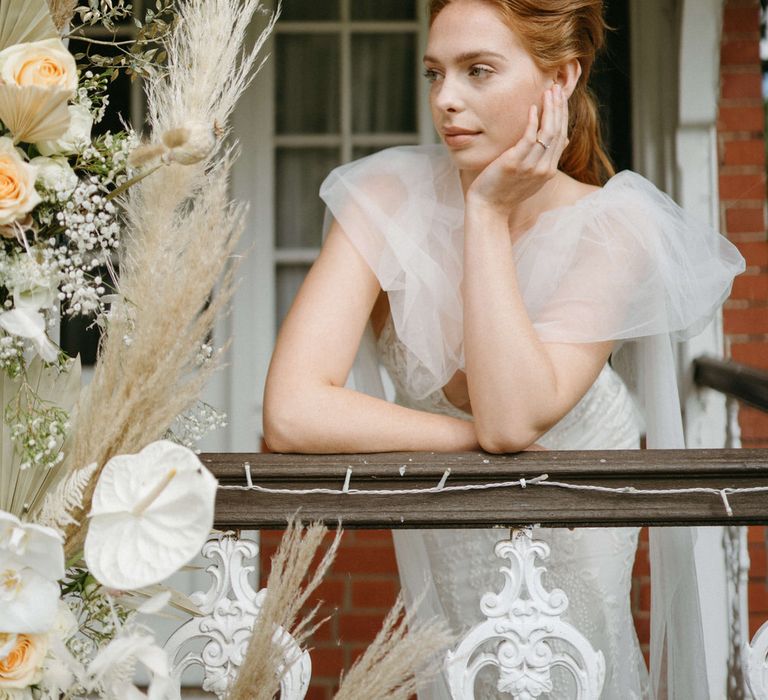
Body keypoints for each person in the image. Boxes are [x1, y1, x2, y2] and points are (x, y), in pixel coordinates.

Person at [263, 0, 745, 697]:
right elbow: (291, 412)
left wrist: (484, 215)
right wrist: (462, 440)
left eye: (477, 70)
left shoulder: (613, 229)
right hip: (452, 637)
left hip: (574, 641)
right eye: (435, 73)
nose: (446, 99)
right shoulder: (388, 197)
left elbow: (512, 419)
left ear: (562, 80)